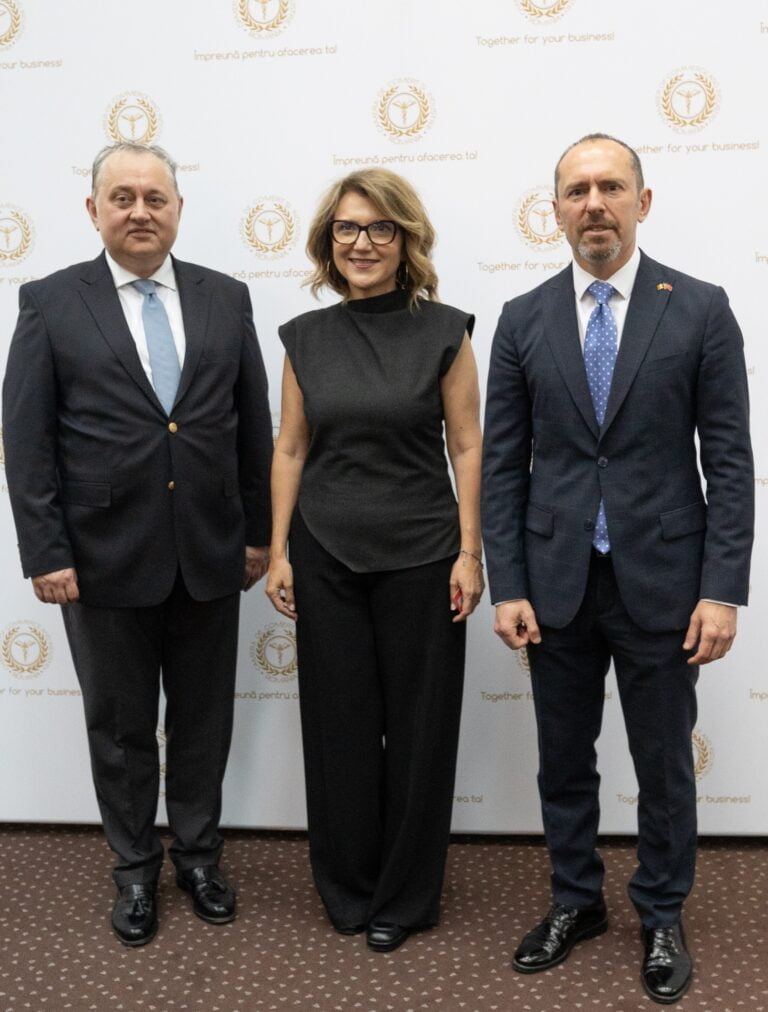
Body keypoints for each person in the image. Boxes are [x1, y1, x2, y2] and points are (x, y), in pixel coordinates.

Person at [482, 133, 753, 1003]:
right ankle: (576, 901)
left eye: (610, 187)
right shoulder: (522, 319)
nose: (593, 203)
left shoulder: (700, 308)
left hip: (665, 584)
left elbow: (731, 462)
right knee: (563, 760)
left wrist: (721, 589)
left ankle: (662, 912)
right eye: (576, 190)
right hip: (556, 581)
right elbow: (503, 466)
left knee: (664, 763)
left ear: (643, 201)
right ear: (555, 210)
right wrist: (509, 582)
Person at [2, 142, 273, 946]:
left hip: (210, 552)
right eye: (122, 198)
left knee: (203, 721)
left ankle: (199, 858)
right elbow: (26, 440)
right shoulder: (51, 302)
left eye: (155, 198)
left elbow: (252, 426)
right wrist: (46, 551)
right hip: (99, 558)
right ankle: (133, 869)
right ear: (94, 211)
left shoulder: (227, 297)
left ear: (179, 209)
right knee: (120, 729)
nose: (140, 212)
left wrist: (258, 533)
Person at [266, 168, 483, 952]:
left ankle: (405, 896)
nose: (362, 243)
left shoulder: (447, 332)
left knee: (421, 735)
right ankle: (349, 888)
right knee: (340, 730)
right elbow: (291, 448)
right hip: (324, 554)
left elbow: (467, 445)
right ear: (329, 241)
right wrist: (279, 550)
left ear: (406, 239)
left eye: (380, 228)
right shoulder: (303, 338)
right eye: (348, 229)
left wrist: (470, 552)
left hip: (425, 556)